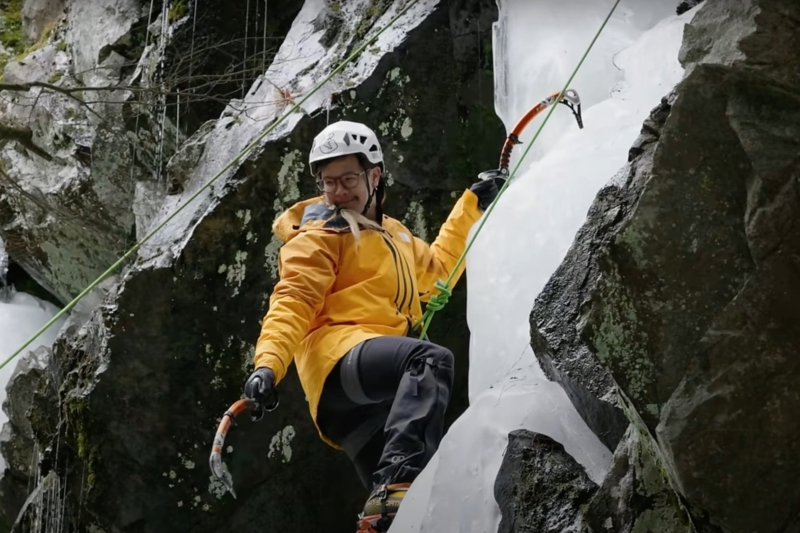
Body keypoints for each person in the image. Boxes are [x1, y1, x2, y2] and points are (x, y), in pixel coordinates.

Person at [243, 120, 498, 530]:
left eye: (348, 179)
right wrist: (268, 365)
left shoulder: (395, 236)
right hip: (339, 362)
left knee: (406, 512)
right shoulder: (320, 233)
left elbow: (436, 274)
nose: (338, 192)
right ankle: (396, 482)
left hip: (362, 406)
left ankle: (390, 507)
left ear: (374, 175)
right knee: (429, 362)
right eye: (329, 183)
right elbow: (293, 299)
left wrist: (472, 206)